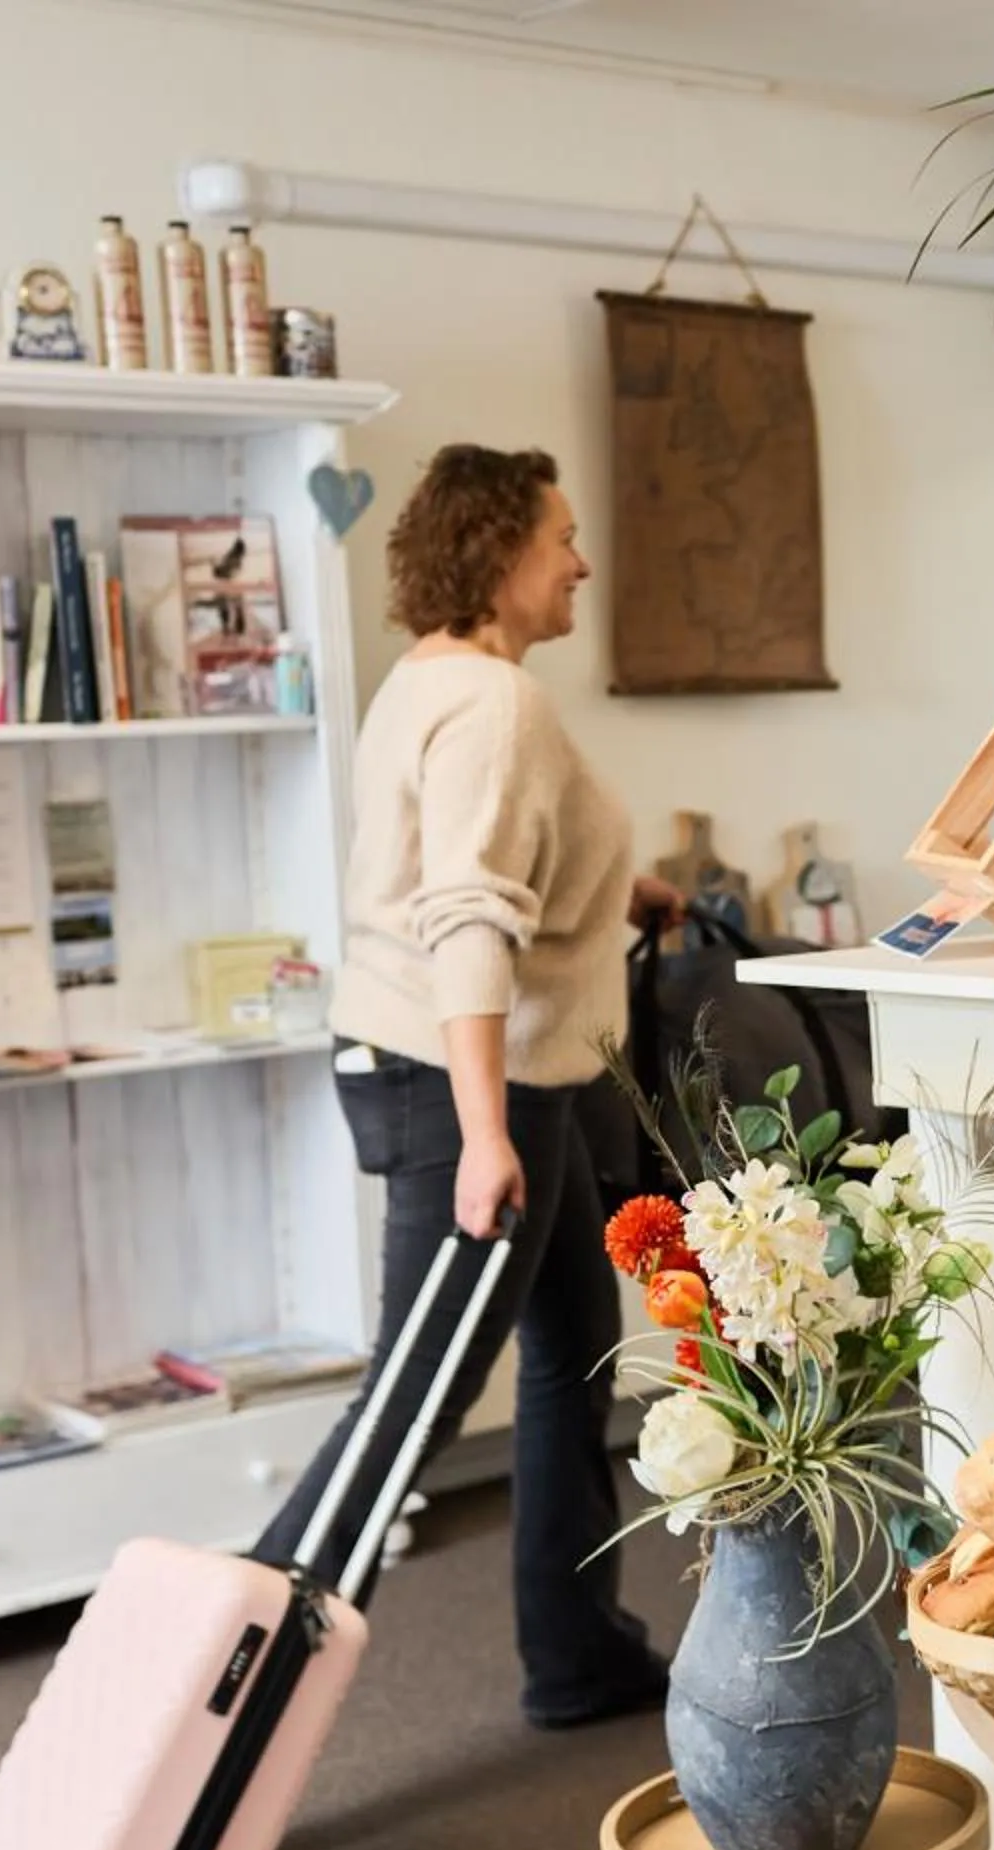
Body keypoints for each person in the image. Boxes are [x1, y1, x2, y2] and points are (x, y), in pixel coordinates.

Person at [257, 444, 684, 1730]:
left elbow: (490, 871)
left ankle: (580, 1653)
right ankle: (227, 1667)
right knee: (416, 1399)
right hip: (464, 1091)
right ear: (501, 555)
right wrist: (487, 1132)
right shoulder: (497, 707)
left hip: (485, 1080)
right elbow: (466, 913)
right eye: (563, 536)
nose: (582, 562)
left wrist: (624, 892)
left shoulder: (435, 683)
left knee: (567, 1364)